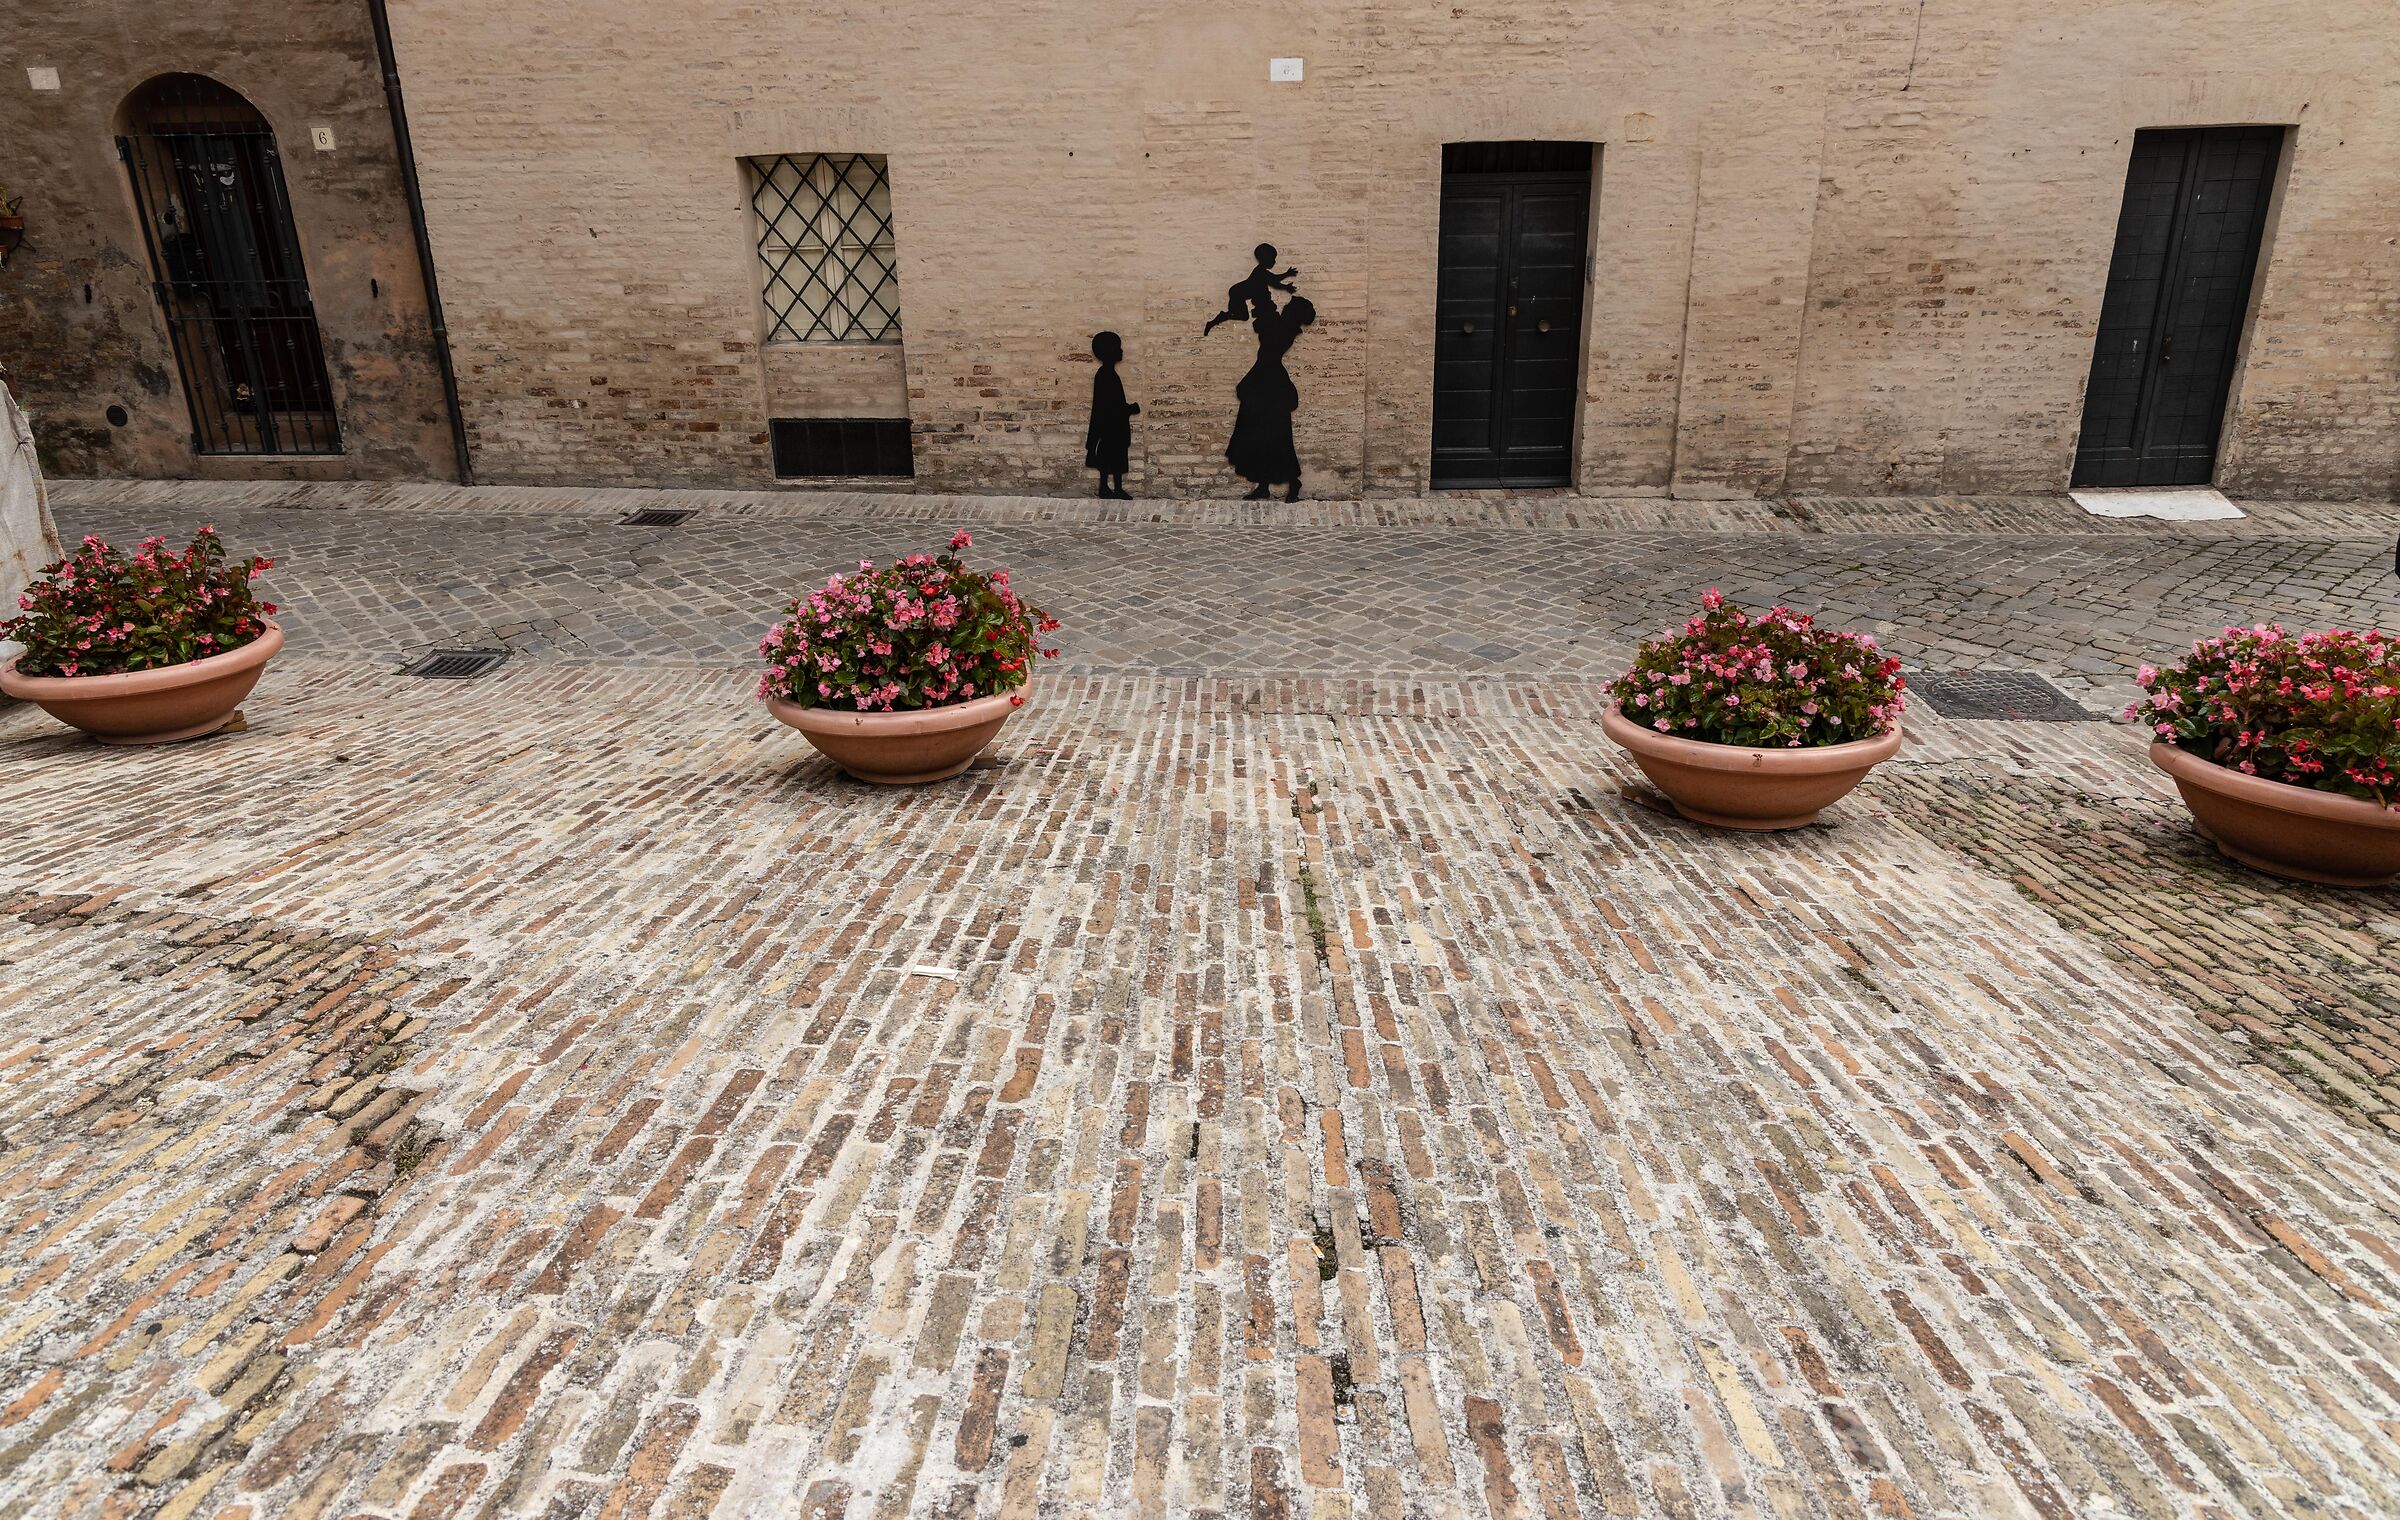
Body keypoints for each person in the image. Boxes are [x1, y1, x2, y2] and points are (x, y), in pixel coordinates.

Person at [1225, 296, 1315, 502]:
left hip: (1270, 384)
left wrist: (1265, 307)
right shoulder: (1281, 326)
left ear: (1293, 313)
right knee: (1261, 437)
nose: (1284, 308)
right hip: (1265, 382)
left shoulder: (1284, 329)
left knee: (1278, 438)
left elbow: (1261, 330)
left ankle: (1293, 482)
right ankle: (1263, 485)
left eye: (1288, 308)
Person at [1084, 331, 1139, 499]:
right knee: (1110, 459)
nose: (1122, 351)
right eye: (1118, 348)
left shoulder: (1109, 374)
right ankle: (1106, 488)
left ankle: (1115, 488)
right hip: (1110, 428)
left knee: (1116, 459)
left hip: (1114, 428)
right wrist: (1130, 409)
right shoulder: (1105, 375)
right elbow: (1107, 406)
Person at [1204, 243, 1300, 337]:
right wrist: (1286, 279)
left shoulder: (1262, 271)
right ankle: (1219, 318)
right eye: (1272, 259)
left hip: (1239, 292)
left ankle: (1220, 317)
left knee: (1243, 316)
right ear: (1265, 259)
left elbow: (1273, 281)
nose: (1274, 261)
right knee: (1243, 316)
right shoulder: (1260, 271)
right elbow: (1274, 280)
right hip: (1237, 292)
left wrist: (1286, 280)